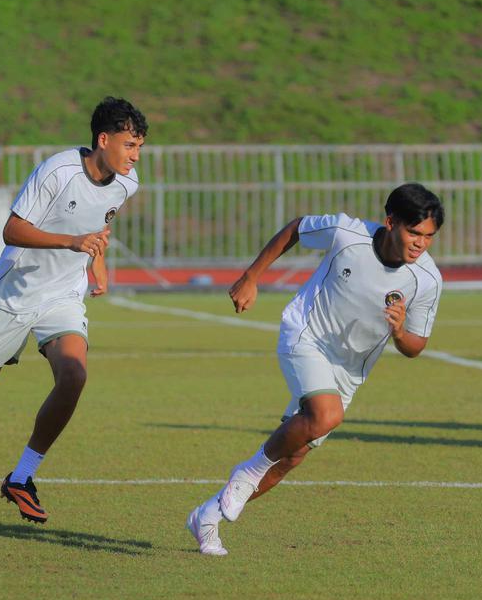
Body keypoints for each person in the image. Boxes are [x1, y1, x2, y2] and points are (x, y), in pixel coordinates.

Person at [0, 97, 147, 525]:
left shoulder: (127, 183)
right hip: (16, 291)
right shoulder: (57, 171)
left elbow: (99, 227)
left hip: (63, 296)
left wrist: (96, 263)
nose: (135, 156)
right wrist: (71, 243)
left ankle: (22, 477)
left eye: (139, 147)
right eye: (129, 145)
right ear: (103, 140)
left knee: (74, 376)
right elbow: (12, 229)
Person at [187, 183, 445, 556]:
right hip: (306, 334)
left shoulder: (428, 280)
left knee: (292, 455)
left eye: (429, 237)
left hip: (348, 369)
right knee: (327, 414)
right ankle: (245, 472)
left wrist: (400, 331)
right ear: (391, 222)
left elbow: (415, 346)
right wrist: (252, 276)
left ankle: (207, 516)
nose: (421, 243)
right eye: (414, 232)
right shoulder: (347, 233)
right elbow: (296, 228)